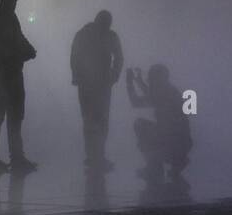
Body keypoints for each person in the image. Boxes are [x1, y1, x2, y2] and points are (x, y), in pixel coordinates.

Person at [0, 0, 37, 172]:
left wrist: (29, 49)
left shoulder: (10, 17)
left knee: (15, 115)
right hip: (0, 73)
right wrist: (22, 54)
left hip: (13, 72)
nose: (16, 1)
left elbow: (19, 37)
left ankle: (16, 157)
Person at [70, 10, 123, 171]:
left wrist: (113, 76)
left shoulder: (85, 34)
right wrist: (114, 76)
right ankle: (96, 156)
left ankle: (95, 156)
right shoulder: (104, 35)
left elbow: (74, 57)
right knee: (96, 119)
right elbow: (119, 57)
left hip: (94, 84)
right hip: (96, 84)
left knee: (93, 119)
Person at [126, 64, 191, 184]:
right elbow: (152, 96)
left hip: (169, 140)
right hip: (183, 142)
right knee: (157, 132)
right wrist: (139, 80)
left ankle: (154, 167)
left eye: (151, 78)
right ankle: (177, 160)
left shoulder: (162, 93)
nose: (149, 81)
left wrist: (129, 83)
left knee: (140, 125)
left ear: (157, 80)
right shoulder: (170, 91)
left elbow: (136, 102)